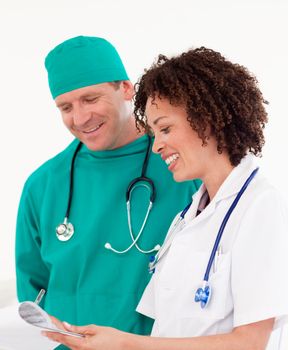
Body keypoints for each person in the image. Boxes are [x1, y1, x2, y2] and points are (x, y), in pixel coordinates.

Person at [44, 46, 288, 349]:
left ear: (206, 121)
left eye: (166, 129)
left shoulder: (260, 205)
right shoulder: (188, 217)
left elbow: (250, 343)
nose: (157, 146)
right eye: (154, 132)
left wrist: (124, 344)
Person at [15, 36, 201, 349]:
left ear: (126, 89)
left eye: (90, 99)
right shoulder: (43, 185)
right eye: (65, 107)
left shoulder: (182, 168)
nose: (80, 118)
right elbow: (33, 291)